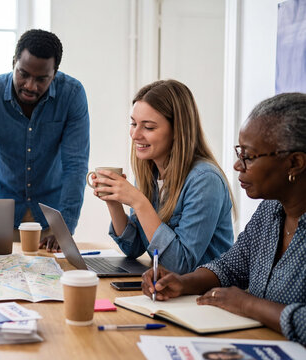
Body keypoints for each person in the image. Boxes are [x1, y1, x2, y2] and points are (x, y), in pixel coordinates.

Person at [142, 92, 306, 345]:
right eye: (240, 152)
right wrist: (181, 283)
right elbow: (230, 267)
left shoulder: (205, 177)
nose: (237, 165)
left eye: (249, 156)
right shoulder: (270, 212)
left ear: (295, 162)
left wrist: (248, 304)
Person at [0, 29, 90, 251]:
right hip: (0, 219)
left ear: (55, 74)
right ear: (13, 62)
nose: (30, 85)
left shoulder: (72, 95)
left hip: (50, 223)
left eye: (41, 79)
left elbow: (75, 165)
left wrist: (64, 229)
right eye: (23, 74)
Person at [91, 80, 234, 274]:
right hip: (169, 291)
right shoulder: (149, 173)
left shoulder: (204, 180)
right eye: (133, 124)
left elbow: (179, 265)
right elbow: (133, 249)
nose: (135, 135)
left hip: (203, 296)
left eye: (148, 127)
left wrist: (139, 202)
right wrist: (113, 201)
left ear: (177, 131)